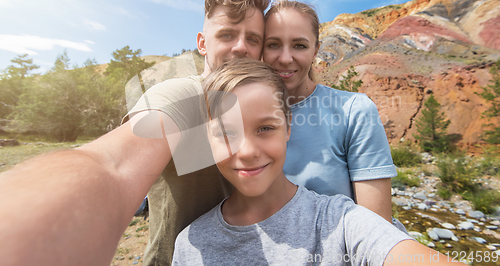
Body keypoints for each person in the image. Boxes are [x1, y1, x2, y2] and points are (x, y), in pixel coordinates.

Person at [0, 0, 270, 266]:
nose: (241, 47)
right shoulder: (180, 96)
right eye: (227, 35)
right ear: (202, 43)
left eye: (253, 38)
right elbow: (113, 165)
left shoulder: (259, 106)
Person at [172, 58, 461, 265]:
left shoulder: (340, 223)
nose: (247, 151)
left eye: (265, 128)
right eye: (226, 133)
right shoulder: (189, 243)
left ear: (288, 127)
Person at [263, 0, 398, 225]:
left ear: (316, 50)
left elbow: (376, 229)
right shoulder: (238, 115)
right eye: (273, 44)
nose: (285, 58)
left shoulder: (354, 111)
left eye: (299, 45)